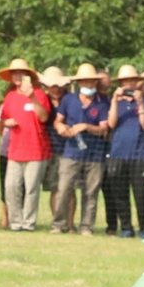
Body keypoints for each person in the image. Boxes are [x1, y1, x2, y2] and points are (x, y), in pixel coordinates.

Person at [0, 59, 52, 232]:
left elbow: (44, 117)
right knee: (11, 187)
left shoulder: (39, 94)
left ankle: (28, 223)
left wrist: (31, 97)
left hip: (36, 150)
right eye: (14, 73)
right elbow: (2, 121)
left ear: (29, 76)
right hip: (15, 150)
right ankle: (15, 222)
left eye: (21, 73)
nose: (17, 76)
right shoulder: (10, 97)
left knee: (32, 189)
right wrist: (7, 122)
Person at [54, 63, 109, 233]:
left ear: (95, 82)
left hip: (95, 153)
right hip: (71, 152)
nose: (88, 84)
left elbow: (104, 129)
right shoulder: (68, 99)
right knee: (64, 189)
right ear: (79, 82)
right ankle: (59, 224)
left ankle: (86, 226)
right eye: (85, 81)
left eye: (91, 81)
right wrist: (60, 127)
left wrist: (86, 127)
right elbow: (58, 120)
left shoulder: (102, 102)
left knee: (90, 192)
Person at [106, 65, 144, 239]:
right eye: (125, 81)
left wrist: (140, 103)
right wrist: (114, 100)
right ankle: (126, 226)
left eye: (132, 81)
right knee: (120, 192)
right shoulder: (115, 101)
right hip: (118, 152)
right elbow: (111, 124)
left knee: (141, 193)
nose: (129, 84)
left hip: (139, 153)